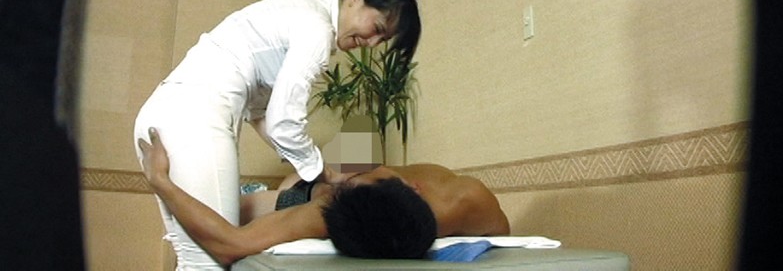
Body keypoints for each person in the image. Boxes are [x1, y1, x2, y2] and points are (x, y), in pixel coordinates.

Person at [132, 0, 421, 270]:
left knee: (194, 258)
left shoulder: (301, 14)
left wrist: (315, 167)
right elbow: (284, 123)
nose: (372, 44)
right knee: (211, 262)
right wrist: (325, 172)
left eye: (382, 40)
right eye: (377, 28)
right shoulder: (317, 28)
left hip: (168, 113)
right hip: (191, 118)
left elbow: (262, 114)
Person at [138, 127, 510, 266]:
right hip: (317, 181)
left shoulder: (328, 212)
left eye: (346, 185)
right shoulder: (465, 195)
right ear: (414, 187)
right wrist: (162, 183)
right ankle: (299, 167)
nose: (343, 185)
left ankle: (296, 177)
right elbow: (228, 244)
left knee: (246, 207)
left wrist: (161, 180)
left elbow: (229, 243)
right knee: (349, 146)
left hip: (318, 192)